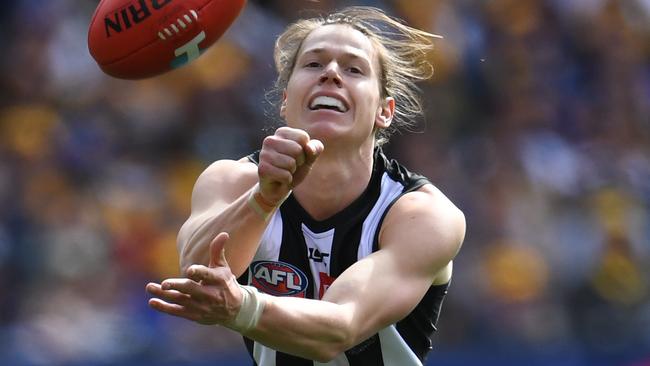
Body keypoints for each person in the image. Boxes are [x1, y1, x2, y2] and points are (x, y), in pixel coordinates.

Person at [146, 6, 465, 365]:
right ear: (286, 101)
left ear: (384, 111)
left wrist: (242, 308)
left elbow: (340, 330)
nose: (330, 74)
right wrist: (263, 201)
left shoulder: (421, 215)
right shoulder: (231, 180)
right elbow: (200, 270)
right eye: (313, 64)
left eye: (354, 69)